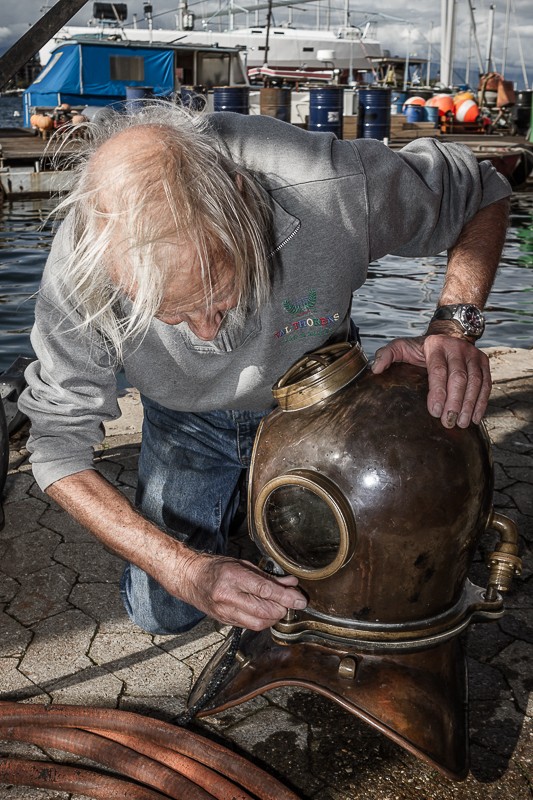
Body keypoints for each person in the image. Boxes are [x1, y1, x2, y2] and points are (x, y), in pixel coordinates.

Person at [19, 101, 511, 636]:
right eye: (171, 314)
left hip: (317, 401)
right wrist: (182, 568)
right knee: (163, 611)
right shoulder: (78, 267)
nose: (208, 333)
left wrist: (454, 326)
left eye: (220, 297)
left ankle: (248, 521)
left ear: (241, 201)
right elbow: (56, 444)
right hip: (184, 416)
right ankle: (234, 525)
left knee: (366, 583)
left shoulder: (328, 184)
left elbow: (480, 190)